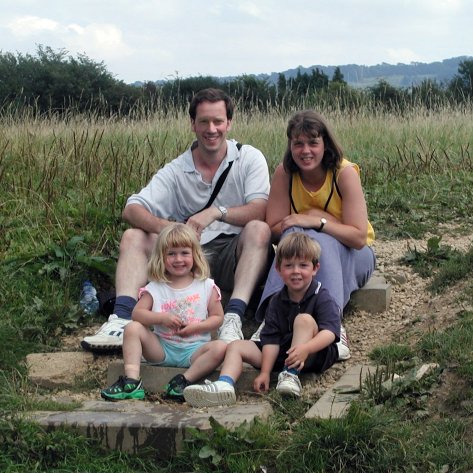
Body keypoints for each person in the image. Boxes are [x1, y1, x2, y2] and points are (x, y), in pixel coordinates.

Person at [82, 88, 271, 351]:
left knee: (259, 230)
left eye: (218, 121)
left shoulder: (248, 158)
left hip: (233, 252)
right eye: (204, 121)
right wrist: (171, 228)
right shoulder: (177, 168)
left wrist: (217, 212)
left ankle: (233, 317)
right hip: (188, 256)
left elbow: (260, 209)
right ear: (193, 124)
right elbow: (132, 209)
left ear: (229, 123)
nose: (212, 129)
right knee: (133, 236)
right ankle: (121, 319)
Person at [253, 110, 376, 359]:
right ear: (290, 146)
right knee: (298, 234)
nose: (305, 150)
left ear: (325, 144)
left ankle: (333, 324)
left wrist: (316, 220)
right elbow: (275, 228)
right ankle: (270, 319)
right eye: (298, 143)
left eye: (313, 142)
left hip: (355, 255)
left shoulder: (344, 173)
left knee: (317, 237)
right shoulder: (285, 174)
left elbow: (358, 237)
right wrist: (304, 225)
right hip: (305, 255)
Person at [183, 232, 340, 407]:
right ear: (279, 269)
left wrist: (306, 348)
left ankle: (290, 375)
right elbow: (271, 340)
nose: (296, 271)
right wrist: (265, 372)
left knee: (303, 320)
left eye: (303, 265)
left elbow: (330, 333)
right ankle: (225, 384)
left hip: (313, 354)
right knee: (236, 345)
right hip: (281, 353)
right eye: (289, 265)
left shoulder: (322, 296)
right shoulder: (276, 300)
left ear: (315, 268)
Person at [100, 223, 227, 401]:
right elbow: (137, 314)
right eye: (171, 254)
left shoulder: (206, 285)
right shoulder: (156, 287)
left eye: (184, 253)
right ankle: (131, 381)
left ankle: (184, 381)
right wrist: (161, 318)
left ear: (194, 255)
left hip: (195, 349)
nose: (178, 259)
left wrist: (196, 327)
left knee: (221, 347)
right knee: (132, 328)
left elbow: (218, 318)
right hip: (162, 347)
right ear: (162, 257)